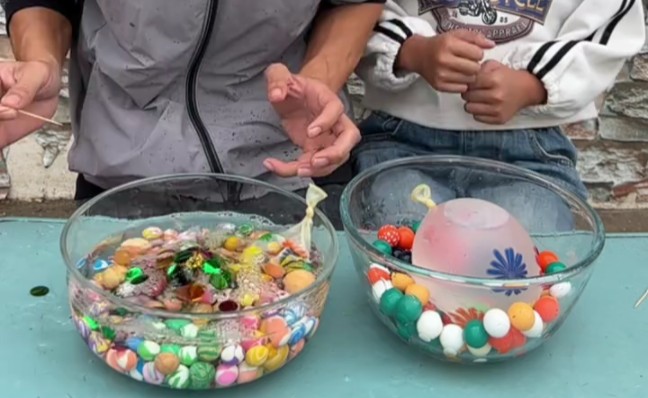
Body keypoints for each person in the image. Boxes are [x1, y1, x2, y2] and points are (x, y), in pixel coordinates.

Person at [0, 0, 385, 228]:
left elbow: (351, 3)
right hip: (124, 173)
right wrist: (41, 58)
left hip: (294, 166)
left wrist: (315, 82)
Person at [353, 0, 645, 232]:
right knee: (403, 249)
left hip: (527, 159)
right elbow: (350, 13)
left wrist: (533, 85)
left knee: (522, 258)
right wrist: (414, 51)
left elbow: (610, 21)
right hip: (402, 144)